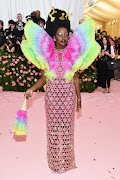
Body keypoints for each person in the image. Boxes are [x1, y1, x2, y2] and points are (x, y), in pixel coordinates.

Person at [21, 8, 100, 173]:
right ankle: (54, 160)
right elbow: (44, 78)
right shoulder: (47, 54)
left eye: (66, 35)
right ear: (54, 36)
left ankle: (67, 159)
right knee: (53, 127)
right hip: (52, 96)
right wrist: (31, 89)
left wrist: (78, 98)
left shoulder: (73, 54)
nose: (64, 38)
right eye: (60, 34)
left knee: (67, 128)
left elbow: (76, 78)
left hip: (68, 96)